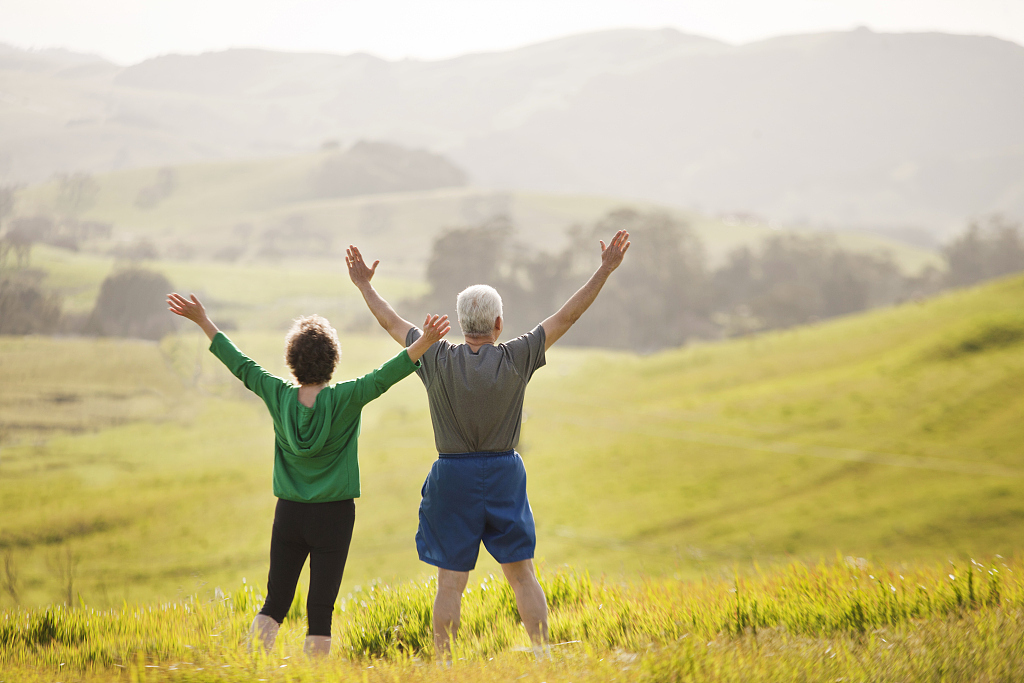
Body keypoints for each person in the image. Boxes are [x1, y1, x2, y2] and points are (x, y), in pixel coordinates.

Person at [345, 229, 630, 657]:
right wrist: (604, 269)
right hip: (504, 473)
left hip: (451, 475)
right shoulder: (517, 356)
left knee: (450, 583)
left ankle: (445, 666)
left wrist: (365, 284)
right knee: (522, 575)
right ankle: (542, 657)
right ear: (498, 324)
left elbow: (389, 320)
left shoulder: (434, 355)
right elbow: (566, 317)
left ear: (463, 324)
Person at [166, 292, 450, 657]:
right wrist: (425, 342)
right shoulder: (346, 398)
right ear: (332, 361)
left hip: (289, 514)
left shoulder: (278, 395)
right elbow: (384, 376)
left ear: (291, 361)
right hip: (334, 515)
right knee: (320, 613)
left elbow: (242, 366)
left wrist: (204, 321)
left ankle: (247, 669)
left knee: (274, 603)